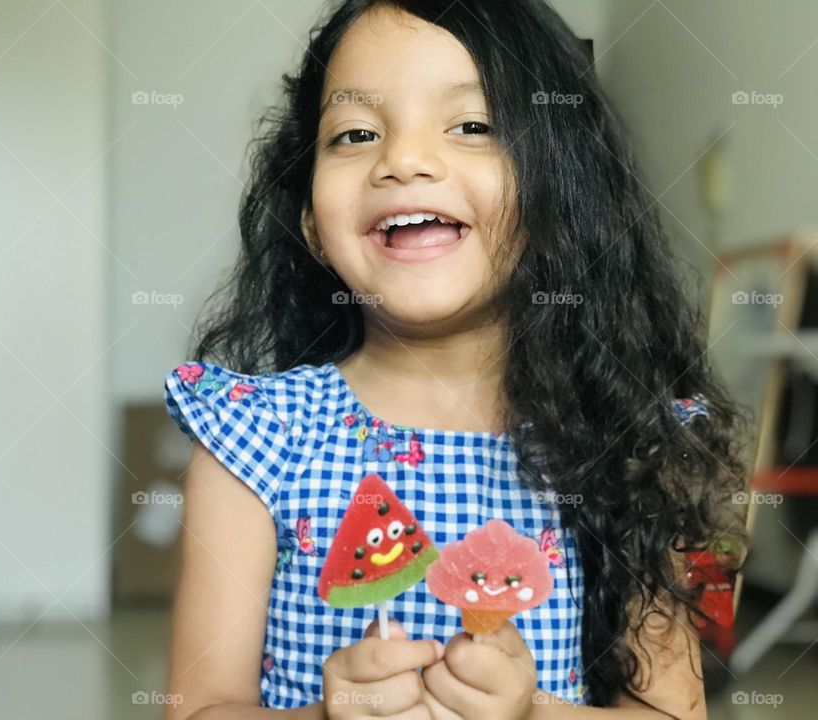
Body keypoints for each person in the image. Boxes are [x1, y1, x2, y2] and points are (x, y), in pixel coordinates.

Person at [162, 1, 752, 717]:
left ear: (555, 188)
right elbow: (199, 708)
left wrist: (533, 710)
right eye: (354, 133)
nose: (403, 160)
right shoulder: (254, 440)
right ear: (312, 224)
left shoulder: (624, 440)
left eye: (473, 125)